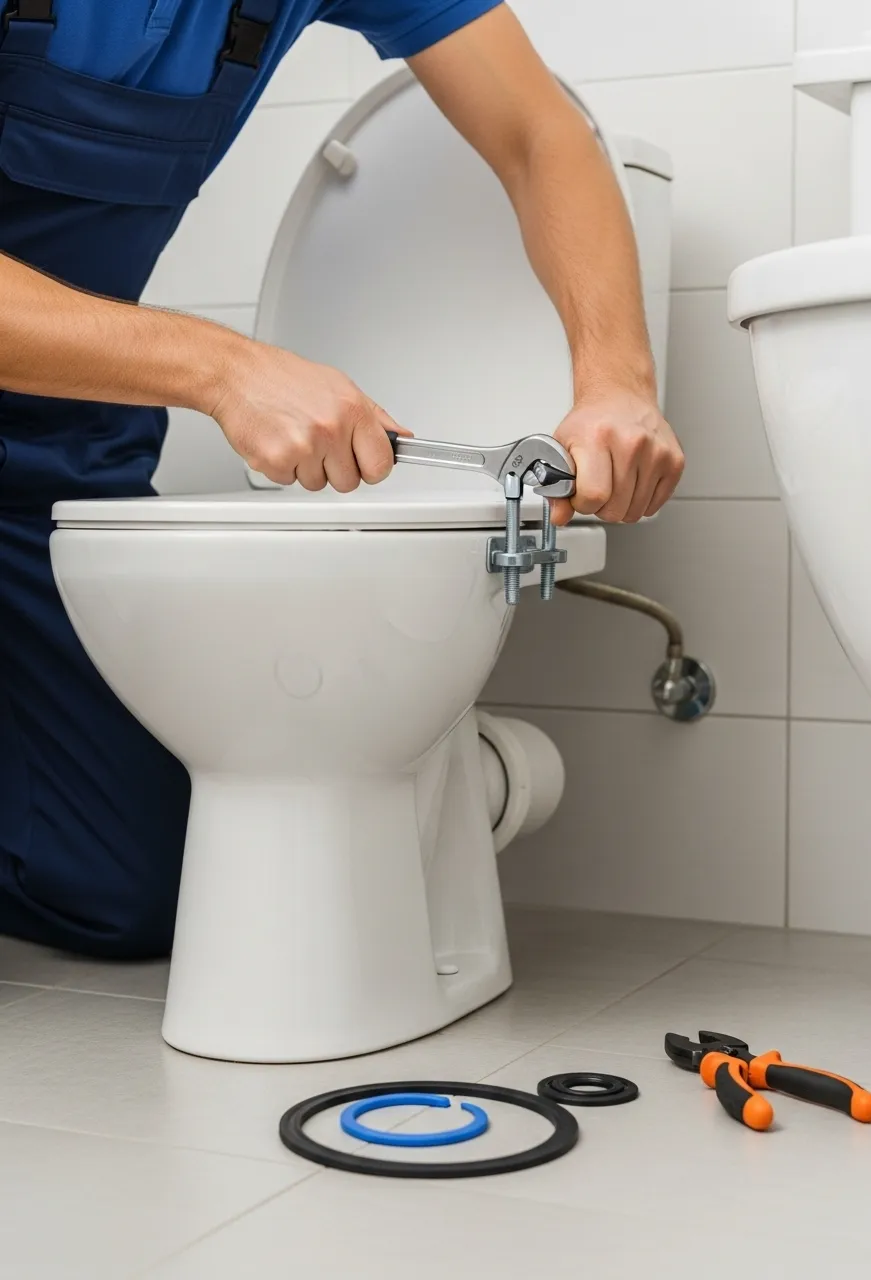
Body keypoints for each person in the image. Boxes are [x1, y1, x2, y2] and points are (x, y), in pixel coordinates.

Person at [0, 0, 684, 959]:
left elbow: (541, 136)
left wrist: (617, 383)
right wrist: (223, 369)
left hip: (58, 442)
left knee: (133, 891)